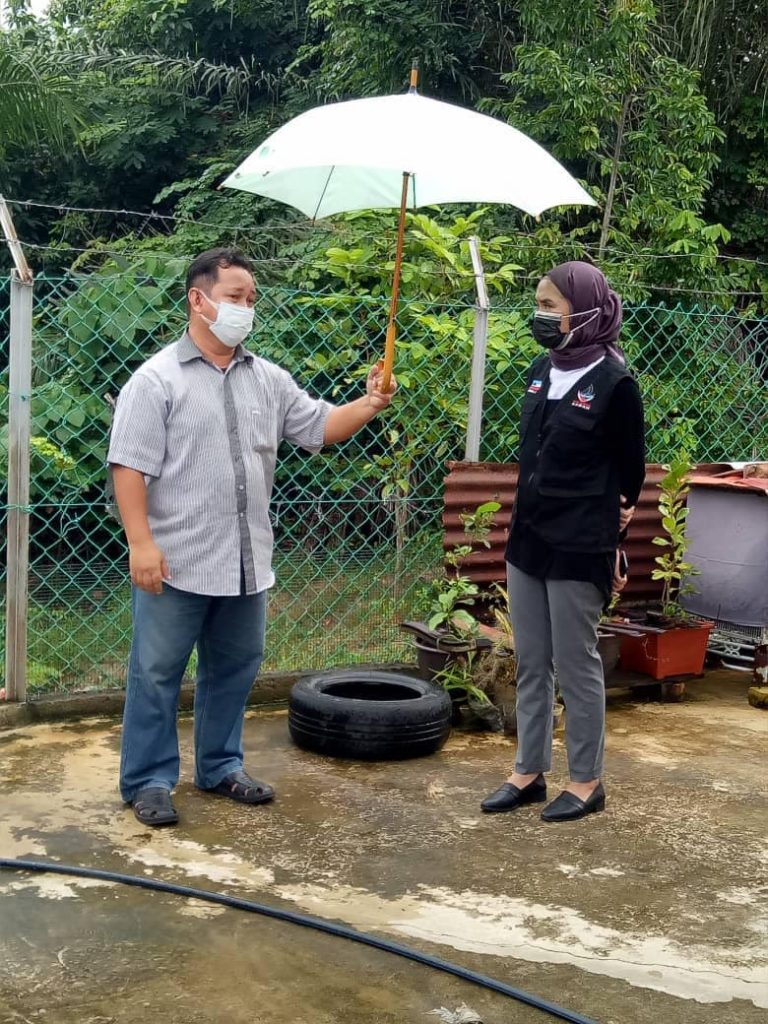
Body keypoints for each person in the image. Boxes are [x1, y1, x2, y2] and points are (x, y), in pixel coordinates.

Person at [108, 247, 396, 827]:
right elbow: (128, 466)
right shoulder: (156, 380)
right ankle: (148, 781)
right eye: (235, 297)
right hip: (176, 561)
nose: (246, 308)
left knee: (234, 670)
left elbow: (319, 427)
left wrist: (371, 402)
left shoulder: (268, 379)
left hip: (246, 562)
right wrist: (141, 543)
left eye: (251, 299)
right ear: (199, 299)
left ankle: (220, 767)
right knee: (157, 674)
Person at [481, 261, 645, 823]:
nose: (540, 315)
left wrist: (615, 535)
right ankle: (528, 772)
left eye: (550, 306)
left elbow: (629, 475)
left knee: (575, 664)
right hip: (528, 538)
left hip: (579, 543)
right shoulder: (541, 371)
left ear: (588, 311)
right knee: (531, 661)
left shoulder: (615, 383)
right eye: (538, 304)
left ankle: (585, 781)